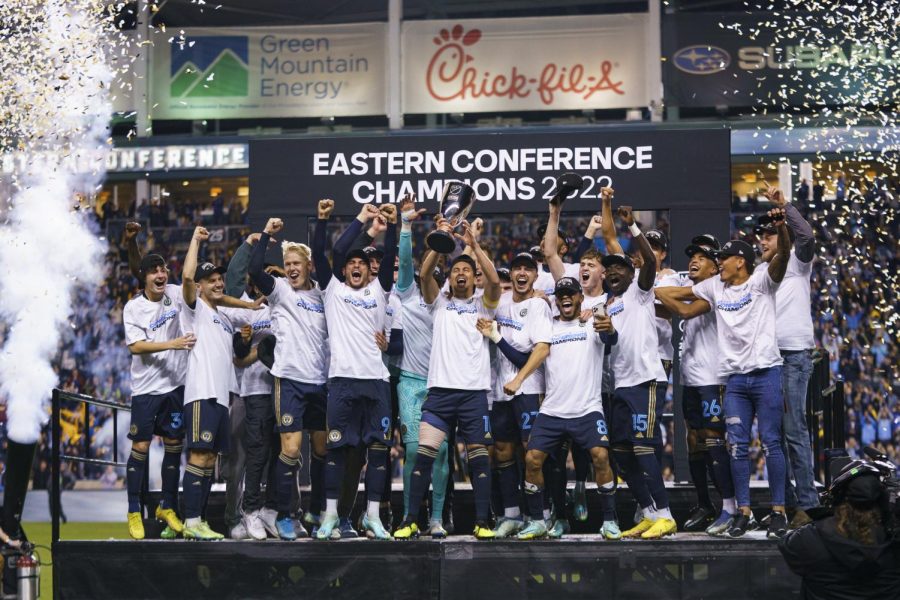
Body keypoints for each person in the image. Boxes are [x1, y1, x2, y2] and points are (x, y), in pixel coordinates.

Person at [655, 207, 792, 539]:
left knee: (773, 443)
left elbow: (784, 255)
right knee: (737, 447)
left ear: (739, 262)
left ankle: (778, 511)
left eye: (724, 258)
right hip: (735, 380)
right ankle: (742, 512)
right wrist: (660, 286)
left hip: (766, 374)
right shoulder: (716, 286)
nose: (719, 263)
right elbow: (679, 296)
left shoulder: (761, 280)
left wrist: (782, 227)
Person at [394, 216, 502, 540]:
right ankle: (411, 519)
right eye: (456, 269)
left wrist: (475, 246)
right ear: (450, 277)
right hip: (439, 393)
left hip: (473, 394)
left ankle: (482, 522)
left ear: (474, 276)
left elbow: (495, 281)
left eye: (466, 269)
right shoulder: (438, 303)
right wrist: (441, 238)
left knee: (479, 461)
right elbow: (425, 273)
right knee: (423, 457)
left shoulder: (485, 304)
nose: (460, 273)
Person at [312, 200, 398, 541]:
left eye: (363, 263)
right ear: (344, 270)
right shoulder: (332, 291)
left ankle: (373, 518)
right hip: (343, 382)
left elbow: (390, 256)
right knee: (336, 450)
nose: (358, 266)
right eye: (352, 263)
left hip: (376, 383)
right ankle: (330, 516)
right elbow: (328, 250)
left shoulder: (380, 290)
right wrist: (326, 220)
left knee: (378, 452)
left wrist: (393, 225)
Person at [515, 277, 618, 540]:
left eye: (570, 293)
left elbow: (609, 335)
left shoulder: (591, 323)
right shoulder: (547, 329)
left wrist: (608, 327)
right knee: (532, 460)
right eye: (560, 294)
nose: (565, 298)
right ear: (555, 300)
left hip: (587, 409)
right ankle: (538, 520)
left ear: (580, 298)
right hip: (552, 410)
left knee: (601, 457)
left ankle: (610, 520)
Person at [248, 220, 330, 541]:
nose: (292, 268)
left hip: (319, 381)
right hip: (290, 380)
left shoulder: (323, 295)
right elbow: (256, 271)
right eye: (288, 265)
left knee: (322, 451)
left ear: (309, 266)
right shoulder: (280, 291)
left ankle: (316, 511)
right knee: (291, 450)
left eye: (297, 264)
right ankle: (283, 514)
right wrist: (267, 235)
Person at [655, 235, 738, 536]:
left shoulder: (716, 291)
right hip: (691, 377)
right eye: (692, 255)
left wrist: (658, 291)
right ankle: (705, 504)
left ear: (716, 266)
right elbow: (667, 307)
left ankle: (730, 506)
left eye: (702, 257)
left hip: (713, 378)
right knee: (693, 440)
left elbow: (684, 309)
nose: (694, 260)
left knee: (714, 439)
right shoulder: (695, 292)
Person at [179, 226, 257, 540]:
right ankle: (191, 521)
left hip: (221, 398)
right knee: (199, 456)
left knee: (209, 460)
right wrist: (196, 240)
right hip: (201, 393)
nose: (218, 283)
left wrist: (250, 308)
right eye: (210, 280)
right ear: (199, 287)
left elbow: (237, 361)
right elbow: (186, 278)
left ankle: (198, 522)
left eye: (219, 279)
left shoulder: (223, 319)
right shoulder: (193, 309)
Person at [602, 202, 674, 540]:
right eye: (609, 269)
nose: (613, 272)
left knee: (644, 447)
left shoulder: (640, 291)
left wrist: (633, 228)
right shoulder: (608, 303)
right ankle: (648, 512)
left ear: (632, 270)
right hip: (621, 385)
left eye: (619, 267)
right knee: (621, 453)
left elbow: (648, 260)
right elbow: (612, 341)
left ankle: (666, 514)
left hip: (646, 380)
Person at [757, 187, 819, 527]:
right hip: (767, 360)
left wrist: (783, 205)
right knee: (773, 436)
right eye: (761, 238)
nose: (765, 242)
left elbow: (806, 234)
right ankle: (787, 504)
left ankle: (807, 506)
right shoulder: (760, 274)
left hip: (794, 355)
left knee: (794, 429)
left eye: (770, 235)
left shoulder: (797, 262)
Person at [122, 251, 195, 540]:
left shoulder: (175, 295)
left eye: (163, 268)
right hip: (146, 390)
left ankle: (167, 506)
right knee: (140, 445)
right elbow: (136, 347)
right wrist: (172, 344)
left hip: (175, 386)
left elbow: (191, 280)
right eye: (153, 270)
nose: (160, 274)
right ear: (144, 277)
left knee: (174, 445)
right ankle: (133, 510)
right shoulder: (133, 307)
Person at [482, 251, 551, 539]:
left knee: (532, 454)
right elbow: (484, 292)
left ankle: (541, 514)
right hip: (500, 393)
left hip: (529, 390)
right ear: (510, 275)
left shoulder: (539, 305)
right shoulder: (501, 303)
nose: (522, 273)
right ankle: (511, 514)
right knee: (502, 452)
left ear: (536, 276)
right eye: (517, 268)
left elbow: (529, 357)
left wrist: (496, 337)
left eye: (528, 269)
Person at [395, 195, 451, 538]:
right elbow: (405, 263)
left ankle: (436, 518)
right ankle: (407, 516)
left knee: (442, 453)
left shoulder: (448, 305)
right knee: (416, 450)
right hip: (411, 383)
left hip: (441, 385)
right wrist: (406, 226)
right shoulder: (407, 295)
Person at [779, 461, 900, 600]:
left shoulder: (811, 538)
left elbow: (785, 544)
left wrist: (821, 515)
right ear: (882, 501)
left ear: (837, 500)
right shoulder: (894, 541)